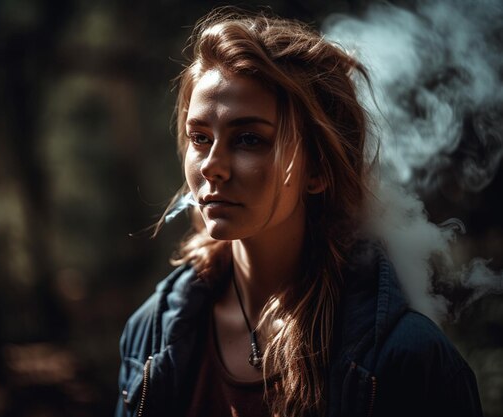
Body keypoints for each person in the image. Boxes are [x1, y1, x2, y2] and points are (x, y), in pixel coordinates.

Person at [115, 7, 483, 417]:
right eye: (200, 137)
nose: (210, 166)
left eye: (249, 139)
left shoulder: (407, 359)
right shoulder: (150, 334)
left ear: (319, 170)